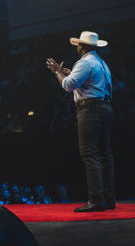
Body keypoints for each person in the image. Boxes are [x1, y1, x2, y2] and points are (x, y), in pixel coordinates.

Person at [47, 30, 115, 212]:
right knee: (104, 154)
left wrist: (56, 73)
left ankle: (96, 199)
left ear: (82, 46)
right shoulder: (101, 63)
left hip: (90, 109)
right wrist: (70, 74)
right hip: (105, 107)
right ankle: (108, 198)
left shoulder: (84, 62)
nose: (76, 47)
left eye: (78, 45)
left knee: (89, 153)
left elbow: (68, 85)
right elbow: (86, 81)